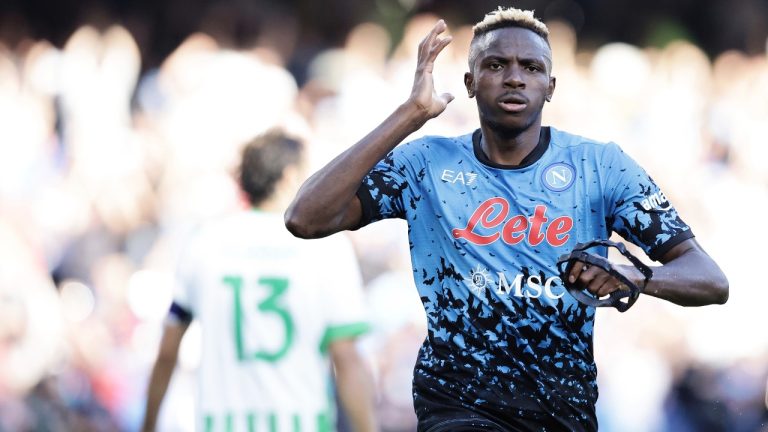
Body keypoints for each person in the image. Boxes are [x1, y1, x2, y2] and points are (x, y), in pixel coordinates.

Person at [284, 7, 729, 432]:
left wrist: (632, 275)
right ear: (470, 81)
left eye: (531, 68)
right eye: (496, 65)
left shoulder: (601, 167)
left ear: (551, 86)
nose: (514, 77)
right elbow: (306, 217)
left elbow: (709, 279)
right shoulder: (425, 163)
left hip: (561, 409)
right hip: (455, 403)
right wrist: (409, 115)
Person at [141, 129, 378, 432]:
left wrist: (147, 425)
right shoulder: (325, 245)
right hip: (301, 423)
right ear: (291, 177)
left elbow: (166, 352)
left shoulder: (205, 242)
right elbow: (346, 359)